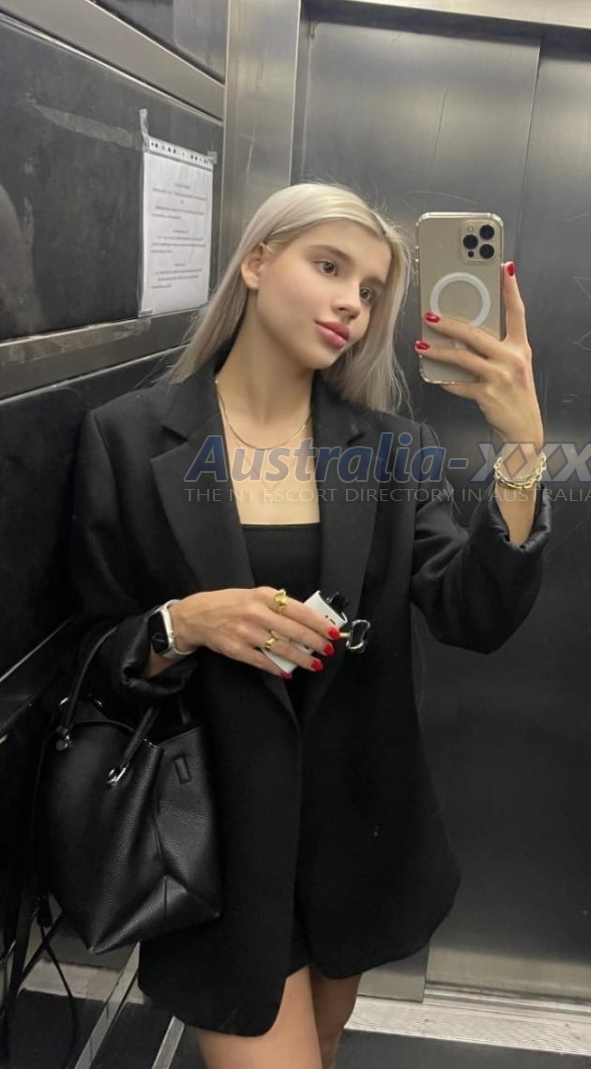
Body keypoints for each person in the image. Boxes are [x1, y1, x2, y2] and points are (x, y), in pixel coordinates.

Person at [68, 182, 551, 1069]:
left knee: (321, 1048)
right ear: (257, 262)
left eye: (369, 290)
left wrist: (523, 452)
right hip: (213, 846)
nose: (351, 304)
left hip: (353, 838)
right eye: (328, 266)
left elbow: (474, 612)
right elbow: (96, 655)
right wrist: (185, 622)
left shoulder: (390, 449)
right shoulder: (127, 439)